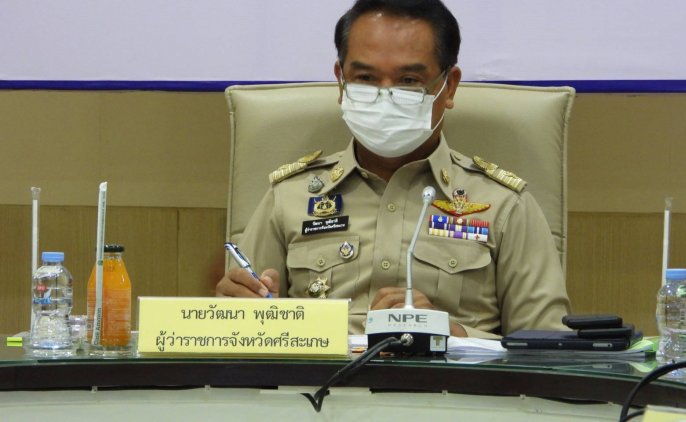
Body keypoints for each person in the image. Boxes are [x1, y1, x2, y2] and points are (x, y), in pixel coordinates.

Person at [216, 0, 571, 338]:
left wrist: (454, 336)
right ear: (341, 80)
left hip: (450, 381)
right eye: (365, 78)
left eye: (409, 81)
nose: (384, 95)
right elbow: (238, 333)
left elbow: (547, 350)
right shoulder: (288, 198)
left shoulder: (504, 206)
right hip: (321, 381)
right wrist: (234, 314)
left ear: (449, 86)